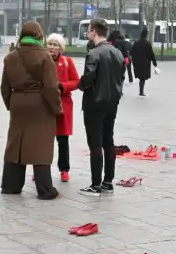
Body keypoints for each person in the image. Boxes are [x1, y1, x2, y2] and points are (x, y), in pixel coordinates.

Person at [0, 22, 62, 199]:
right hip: (40, 103)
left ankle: (11, 185)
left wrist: (11, 104)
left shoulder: (11, 57)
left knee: (15, 143)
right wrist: (56, 107)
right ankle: (45, 189)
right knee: (41, 144)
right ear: (39, 36)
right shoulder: (45, 57)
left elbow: (4, 87)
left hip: (18, 101)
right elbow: (51, 87)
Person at [79, 19, 125, 196]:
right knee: (108, 141)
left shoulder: (94, 53)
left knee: (95, 143)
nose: (88, 34)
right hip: (112, 102)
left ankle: (95, 184)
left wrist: (81, 85)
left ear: (93, 32)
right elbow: (120, 78)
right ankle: (107, 181)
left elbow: (87, 79)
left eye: (89, 31)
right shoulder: (117, 53)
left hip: (94, 103)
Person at [47, 33, 80, 183]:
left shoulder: (67, 62)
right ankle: (41, 169)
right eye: (50, 44)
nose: (52, 47)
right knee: (44, 139)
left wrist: (63, 87)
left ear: (61, 48)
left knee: (63, 139)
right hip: (45, 104)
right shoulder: (42, 61)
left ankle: (64, 170)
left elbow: (77, 81)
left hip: (63, 104)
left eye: (55, 45)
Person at [130, 28, 158, 97]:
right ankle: (141, 92)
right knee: (143, 78)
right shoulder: (147, 43)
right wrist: (155, 63)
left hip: (137, 63)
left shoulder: (136, 43)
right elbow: (151, 54)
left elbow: (131, 52)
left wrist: (134, 60)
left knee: (141, 78)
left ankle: (141, 91)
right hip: (145, 63)